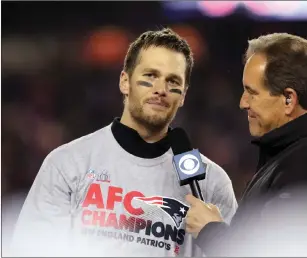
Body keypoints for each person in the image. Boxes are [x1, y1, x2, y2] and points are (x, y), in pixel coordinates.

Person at [10, 28, 237, 257]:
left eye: (173, 81)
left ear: (184, 95)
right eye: (150, 76)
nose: (161, 90)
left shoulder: (211, 182)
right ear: (125, 82)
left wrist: (214, 235)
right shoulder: (68, 164)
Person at [185, 33, 307, 256]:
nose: (242, 103)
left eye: (252, 93)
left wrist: (210, 231)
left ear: (289, 99)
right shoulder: (283, 155)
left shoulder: (299, 165)